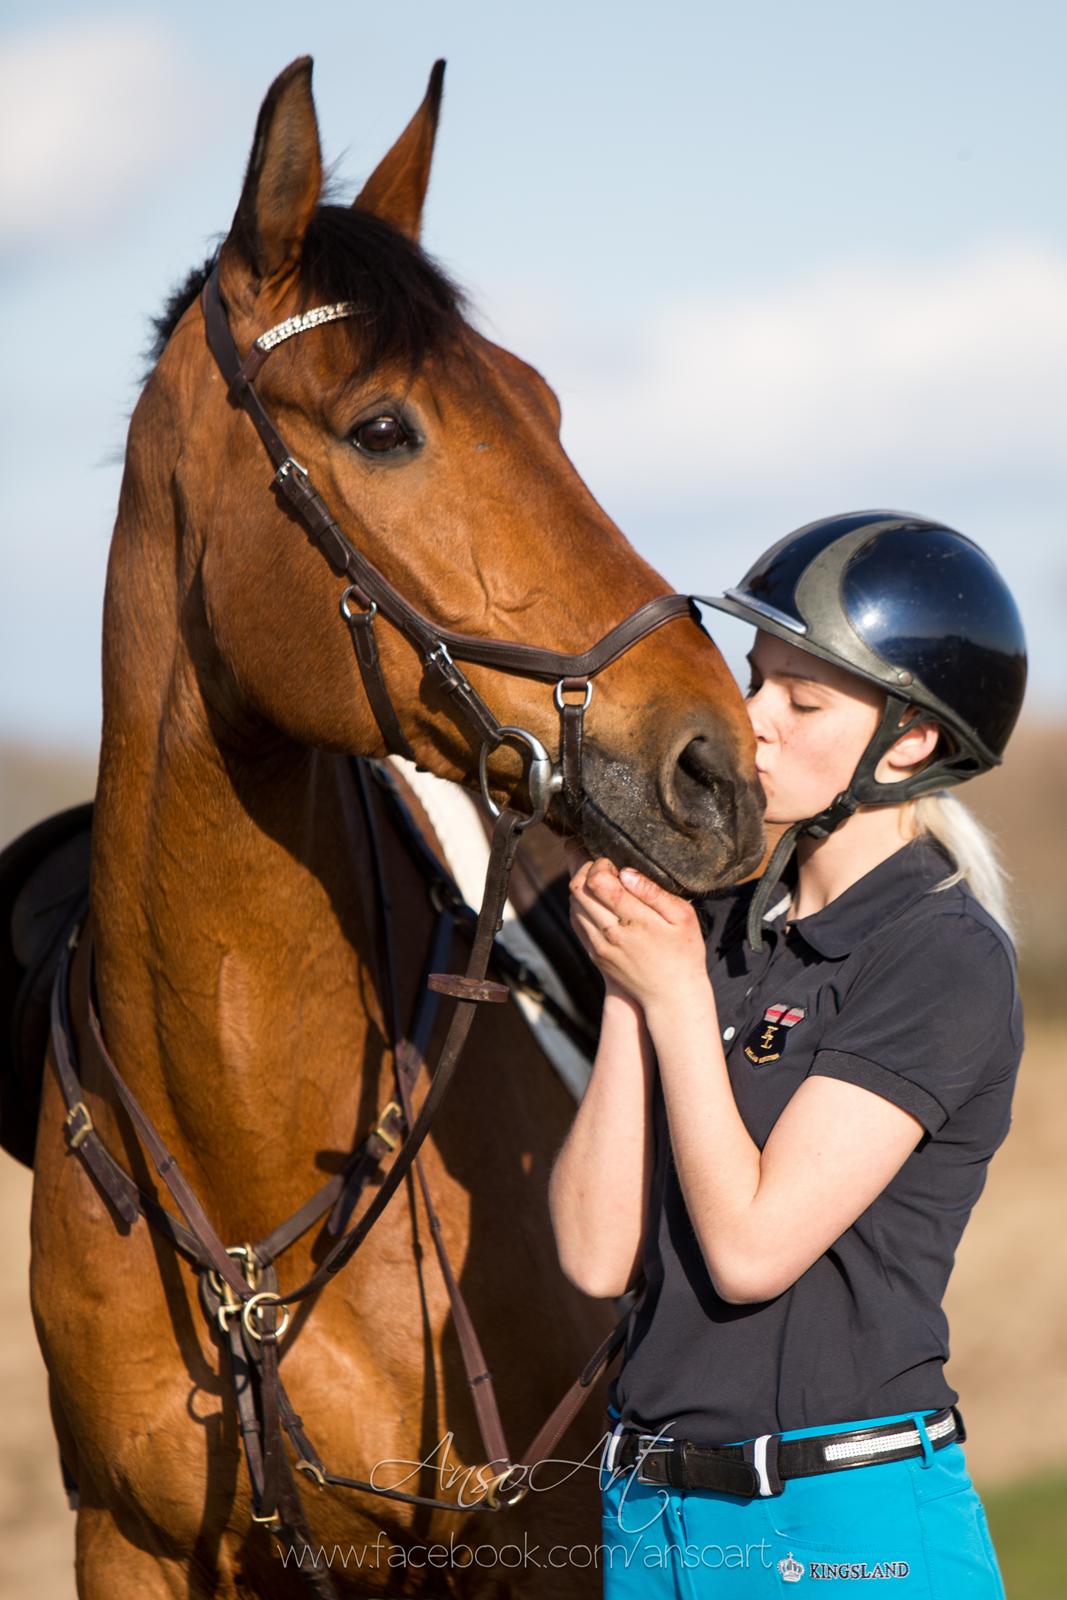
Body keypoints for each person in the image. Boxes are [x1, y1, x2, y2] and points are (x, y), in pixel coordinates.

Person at [549, 512, 1026, 1597]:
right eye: (754, 679)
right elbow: (591, 1256)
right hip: (648, 1521)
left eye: (801, 702)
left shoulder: (940, 955)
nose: (751, 720)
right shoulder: (715, 930)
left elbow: (752, 1250)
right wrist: (631, 975)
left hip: (837, 1527)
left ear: (907, 742)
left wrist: (674, 994)